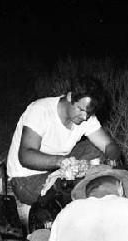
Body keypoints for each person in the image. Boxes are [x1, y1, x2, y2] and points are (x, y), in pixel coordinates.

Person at [7, 75, 122, 205]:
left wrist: (111, 159)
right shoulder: (40, 110)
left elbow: (108, 145)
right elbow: (25, 156)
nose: (84, 117)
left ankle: (89, 187)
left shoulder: (86, 115)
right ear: (70, 97)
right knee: (72, 191)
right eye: (81, 109)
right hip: (26, 178)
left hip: (57, 169)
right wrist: (62, 162)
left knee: (95, 149)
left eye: (88, 113)